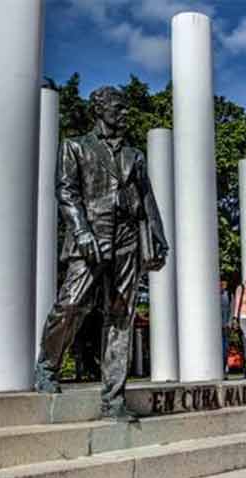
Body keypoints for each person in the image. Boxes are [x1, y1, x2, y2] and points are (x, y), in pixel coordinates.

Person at [34, 86, 168, 422]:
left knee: (120, 316)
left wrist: (158, 239)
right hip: (89, 237)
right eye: (118, 108)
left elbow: (147, 198)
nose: (125, 114)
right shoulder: (75, 147)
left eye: (126, 109)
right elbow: (66, 192)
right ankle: (48, 367)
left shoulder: (135, 155)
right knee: (71, 305)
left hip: (126, 240)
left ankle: (114, 399)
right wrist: (81, 231)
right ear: (100, 109)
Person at [220, 280, 233, 377]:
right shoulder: (210, 295)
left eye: (224, 284)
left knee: (225, 350)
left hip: (225, 327)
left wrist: (229, 323)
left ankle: (224, 369)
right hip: (215, 329)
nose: (222, 285)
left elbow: (232, 310)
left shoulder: (229, 295)